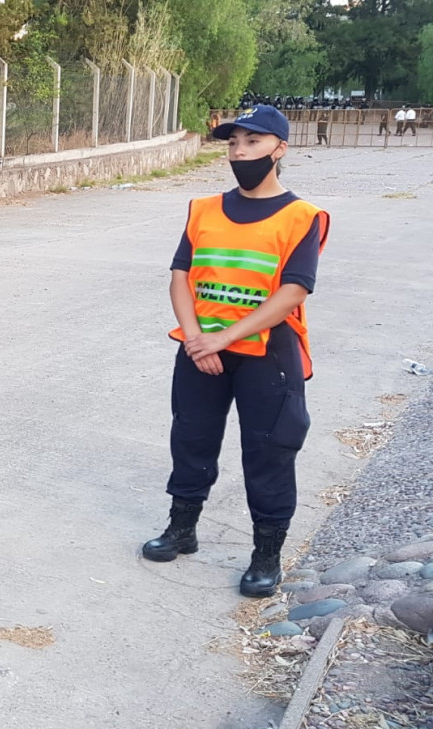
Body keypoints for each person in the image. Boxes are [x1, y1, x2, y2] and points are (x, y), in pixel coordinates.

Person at [141, 105, 330, 599]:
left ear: (279, 149)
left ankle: (266, 553)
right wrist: (195, 336)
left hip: (266, 353)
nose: (239, 152)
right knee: (191, 437)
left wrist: (222, 338)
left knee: (269, 449)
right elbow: (181, 275)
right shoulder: (203, 209)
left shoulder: (301, 217)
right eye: (233, 143)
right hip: (201, 346)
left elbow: (294, 291)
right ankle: (182, 528)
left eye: (252, 142)